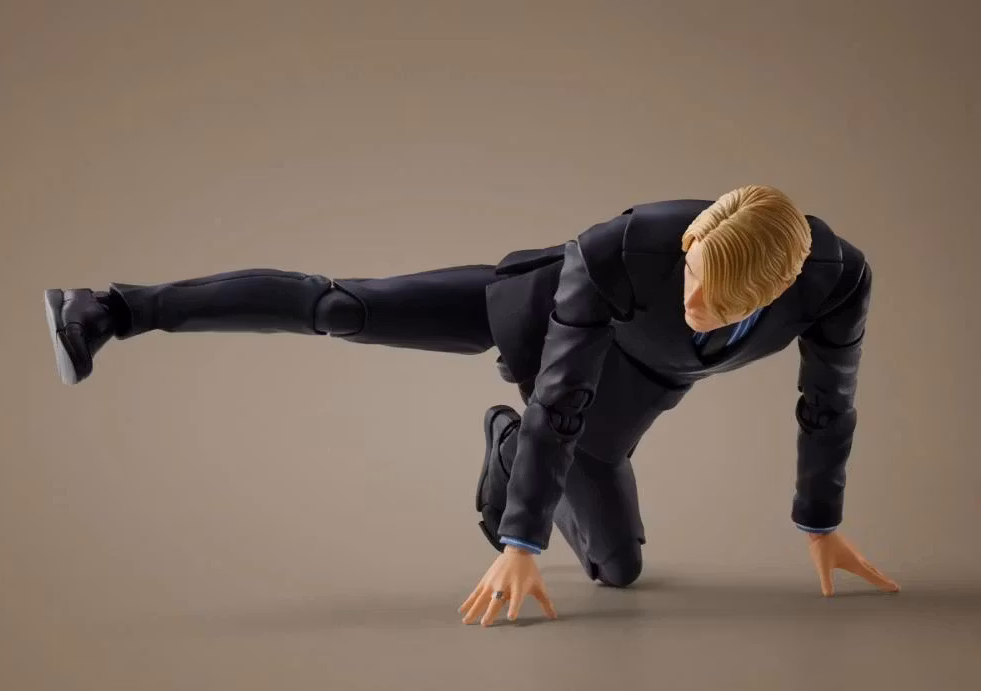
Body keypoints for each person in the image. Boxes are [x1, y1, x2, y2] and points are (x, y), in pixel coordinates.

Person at [44, 185, 900, 628]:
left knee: (618, 573)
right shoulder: (621, 248)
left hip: (631, 391)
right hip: (546, 312)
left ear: (782, 291)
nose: (696, 304)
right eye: (692, 279)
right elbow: (559, 392)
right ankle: (111, 310)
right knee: (342, 307)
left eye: (721, 304)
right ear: (688, 242)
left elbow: (828, 402)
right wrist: (523, 539)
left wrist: (819, 522)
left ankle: (504, 446)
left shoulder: (838, 283)